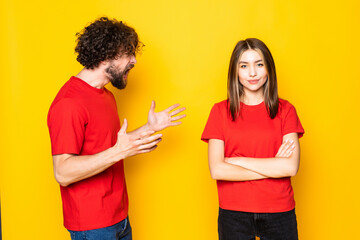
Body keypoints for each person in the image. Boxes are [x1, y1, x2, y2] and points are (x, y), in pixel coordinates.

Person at [47, 17, 186, 240]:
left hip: (118, 217)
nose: (134, 61)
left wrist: (148, 128)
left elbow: (110, 146)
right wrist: (119, 152)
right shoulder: (69, 103)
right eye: (128, 53)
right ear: (106, 55)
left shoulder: (106, 96)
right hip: (92, 226)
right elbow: (62, 172)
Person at [201, 38, 304, 240]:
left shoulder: (286, 110)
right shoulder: (220, 111)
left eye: (259, 64)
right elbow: (218, 170)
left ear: (269, 68)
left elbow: (290, 167)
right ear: (235, 71)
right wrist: (273, 167)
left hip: (279, 212)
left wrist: (238, 160)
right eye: (244, 66)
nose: (252, 73)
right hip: (233, 215)